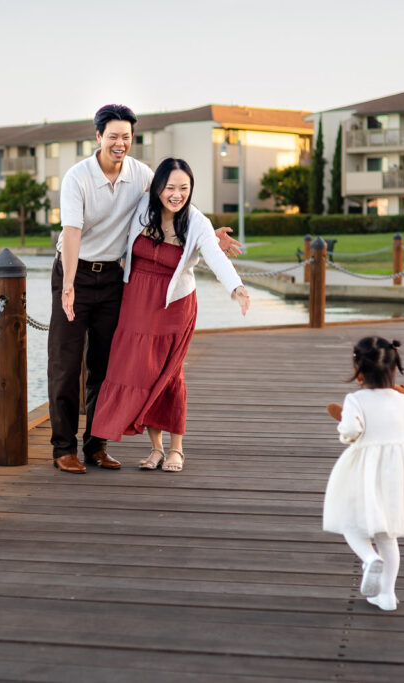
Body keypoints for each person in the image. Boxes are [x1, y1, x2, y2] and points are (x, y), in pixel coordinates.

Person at [49, 104, 239, 474]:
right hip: (75, 272)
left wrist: (206, 235)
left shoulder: (141, 175)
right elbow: (71, 232)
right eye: (113, 136)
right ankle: (63, 448)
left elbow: (175, 200)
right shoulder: (78, 177)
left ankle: (96, 446)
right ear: (99, 137)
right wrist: (68, 285)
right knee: (65, 363)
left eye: (126, 136)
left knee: (106, 364)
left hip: (114, 277)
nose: (120, 143)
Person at [90, 158, 249, 473]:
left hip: (174, 305)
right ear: (157, 188)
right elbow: (109, 225)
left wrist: (237, 287)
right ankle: (156, 449)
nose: (177, 195)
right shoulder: (140, 209)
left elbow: (215, 256)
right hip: (136, 303)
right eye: (170, 188)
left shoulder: (196, 222)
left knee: (170, 375)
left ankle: (176, 449)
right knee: (143, 373)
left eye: (184, 188)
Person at [322, 336, 404, 611]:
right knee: (387, 535)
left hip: (364, 468)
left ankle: (369, 559)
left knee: (350, 522)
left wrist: (346, 434)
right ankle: (387, 596)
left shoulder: (355, 399)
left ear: (358, 371)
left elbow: (351, 430)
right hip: (399, 470)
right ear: (394, 368)